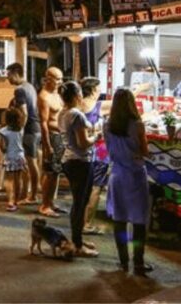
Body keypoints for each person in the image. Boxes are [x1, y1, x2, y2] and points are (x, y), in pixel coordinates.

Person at [105, 88, 153, 275]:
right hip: (135, 175)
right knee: (139, 222)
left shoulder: (107, 126)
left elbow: (109, 149)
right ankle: (138, 262)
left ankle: (123, 262)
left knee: (120, 220)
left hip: (117, 175)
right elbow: (144, 151)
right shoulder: (137, 125)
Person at [58, 81, 100, 258]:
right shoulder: (76, 115)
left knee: (78, 202)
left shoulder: (63, 113)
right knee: (80, 203)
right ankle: (77, 244)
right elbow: (83, 143)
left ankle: (78, 239)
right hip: (80, 162)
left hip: (69, 160)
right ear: (77, 96)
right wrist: (96, 136)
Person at [7, 62, 41, 205]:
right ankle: (26, 194)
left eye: (8, 75)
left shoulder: (20, 90)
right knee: (29, 163)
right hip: (36, 127)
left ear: (16, 73)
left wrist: (19, 131)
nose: (7, 79)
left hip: (29, 130)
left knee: (31, 163)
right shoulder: (30, 86)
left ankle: (33, 195)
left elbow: (24, 113)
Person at [81, 77, 109, 235]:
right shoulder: (99, 106)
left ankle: (80, 221)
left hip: (82, 151)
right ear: (92, 90)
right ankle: (87, 224)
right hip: (98, 152)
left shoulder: (77, 105)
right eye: (99, 89)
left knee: (83, 189)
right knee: (96, 188)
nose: (100, 91)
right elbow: (124, 100)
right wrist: (141, 89)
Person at [38, 67, 66, 217]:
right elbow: (43, 123)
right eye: (56, 79)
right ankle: (44, 205)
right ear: (48, 78)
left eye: (61, 79)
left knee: (56, 173)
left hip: (61, 137)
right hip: (52, 137)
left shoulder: (57, 94)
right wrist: (47, 144)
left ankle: (50, 202)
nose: (59, 82)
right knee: (50, 173)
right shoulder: (44, 96)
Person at [0, 105, 27, 212]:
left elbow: (3, 147)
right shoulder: (21, 130)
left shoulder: (3, 131)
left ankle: (10, 200)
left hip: (10, 156)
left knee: (8, 180)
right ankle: (16, 200)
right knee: (18, 179)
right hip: (20, 156)